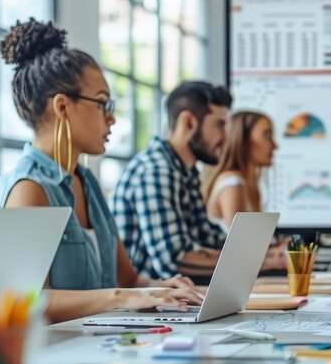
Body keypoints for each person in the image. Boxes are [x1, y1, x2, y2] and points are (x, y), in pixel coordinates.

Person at [0, 19, 203, 324]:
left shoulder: (87, 182)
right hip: (59, 358)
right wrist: (120, 297)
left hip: (104, 346)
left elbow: (128, 281)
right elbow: (25, 300)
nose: (112, 118)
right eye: (102, 104)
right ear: (62, 107)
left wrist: (162, 288)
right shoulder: (29, 187)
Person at [112, 82, 285, 284]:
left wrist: (268, 250)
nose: (226, 137)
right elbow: (175, 259)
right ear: (189, 123)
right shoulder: (155, 171)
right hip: (149, 303)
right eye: (219, 125)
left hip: (176, 298)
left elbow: (208, 238)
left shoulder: (185, 171)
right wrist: (261, 261)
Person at [202, 111, 278, 229]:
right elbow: (243, 245)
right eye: (267, 136)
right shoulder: (233, 184)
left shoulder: (247, 184)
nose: (275, 145)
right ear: (242, 141)